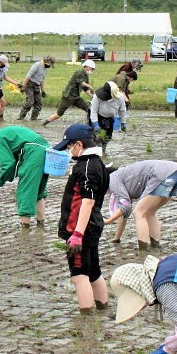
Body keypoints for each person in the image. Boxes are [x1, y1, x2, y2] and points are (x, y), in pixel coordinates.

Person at [54, 124, 110, 315]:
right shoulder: (97, 163)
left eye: (70, 147)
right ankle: (103, 309)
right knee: (94, 271)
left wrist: (77, 234)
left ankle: (86, 319)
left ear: (79, 144)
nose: (69, 151)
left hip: (81, 229)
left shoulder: (85, 168)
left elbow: (87, 202)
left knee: (79, 275)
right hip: (92, 226)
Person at [104, 160, 177, 250]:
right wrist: (116, 239)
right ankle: (155, 247)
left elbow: (125, 205)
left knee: (138, 213)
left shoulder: (112, 178)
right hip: (176, 172)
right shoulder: (124, 177)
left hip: (162, 174)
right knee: (150, 212)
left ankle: (143, 251)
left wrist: (108, 221)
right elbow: (125, 212)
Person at [42, 60, 95, 126]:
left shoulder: (86, 76)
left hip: (76, 97)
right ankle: (44, 124)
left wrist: (93, 96)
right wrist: (89, 86)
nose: (92, 71)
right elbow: (81, 82)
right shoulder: (78, 73)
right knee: (58, 115)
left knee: (88, 109)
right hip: (68, 96)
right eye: (92, 69)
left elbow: (86, 89)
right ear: (87, 67)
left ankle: (87, 125)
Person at [89, 81, 127, 151]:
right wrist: (95, 124)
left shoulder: (120, 98)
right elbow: (93, 111)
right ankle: (96, 152)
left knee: (107, 137)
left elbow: (122, 111)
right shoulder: (97, 97)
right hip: (98, 117)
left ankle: (103, 150)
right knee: (96, 137)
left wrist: (123, 123)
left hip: (110, 118)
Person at [18, 56, 54, 121]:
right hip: (29, 84)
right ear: (46, 62)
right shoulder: (37, 65)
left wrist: (43, 91)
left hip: (36, 85)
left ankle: (34, 118)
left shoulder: (45, 69)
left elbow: (42, 80)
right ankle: (21, 117)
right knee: (30, 102)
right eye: (49, 64)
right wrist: (24, 86)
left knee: (39, 103)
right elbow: (28, 76)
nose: (49, 66)